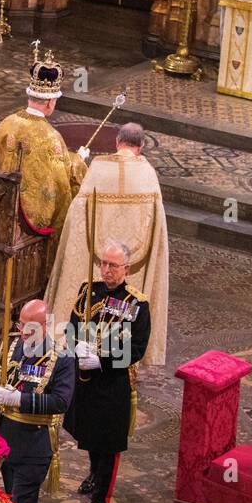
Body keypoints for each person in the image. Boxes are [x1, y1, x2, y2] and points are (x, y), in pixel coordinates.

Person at [45, 121, 170, 366]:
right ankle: (120, 355)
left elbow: (77, 215)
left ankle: (74, 345)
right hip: (133, 266)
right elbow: (158, 226)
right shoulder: (147, 175)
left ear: (116, 142)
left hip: (93, 260)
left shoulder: (98, 169)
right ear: (142, 146)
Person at [63, 241, 151, 503]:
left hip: (113, 383)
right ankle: (93, 474)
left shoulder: (136, 303)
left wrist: (102, 361)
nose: (106, 270)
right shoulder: (89, 290)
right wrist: (75, 345)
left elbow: (136, 349)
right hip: (85, 380)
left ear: (126, 267)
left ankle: (101, 498)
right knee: (89, 434)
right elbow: (73, 323)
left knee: (109, 442)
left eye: (112, 265)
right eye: (103, 263)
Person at [0, 299, 75, 503]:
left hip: (35, 444)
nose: (22, 331)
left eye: (29, 326)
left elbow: (61, 402)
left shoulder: (62, 357)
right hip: (5, 438)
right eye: (20, 324)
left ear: (45, 326)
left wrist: (20, 400)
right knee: (12, 500)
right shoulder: (10, 344)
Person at [0, 42, 88, 248]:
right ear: (51, 103)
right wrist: (79, 160)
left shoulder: (6, 122)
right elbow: (61, 183)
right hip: (28, 225)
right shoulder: (51, 137)